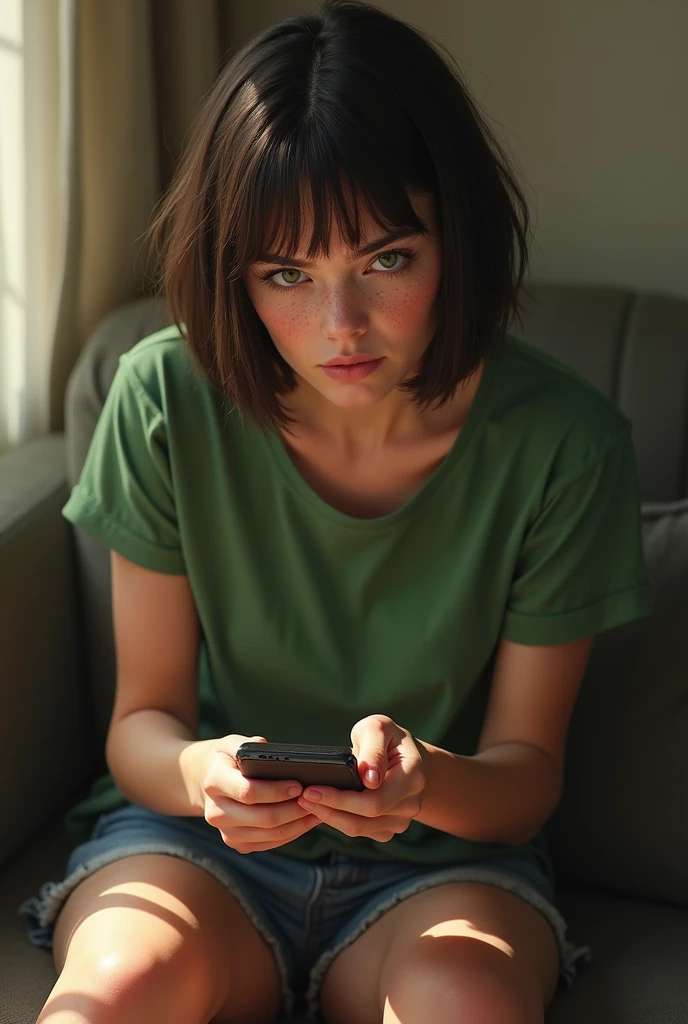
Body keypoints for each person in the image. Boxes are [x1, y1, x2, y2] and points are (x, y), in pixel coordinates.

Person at [21, 1, 652, 1022]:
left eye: (386, 260)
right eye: (286, 276)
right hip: (193, 849)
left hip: (444, 872)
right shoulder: (164, 397)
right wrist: (203, 771)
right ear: (237, 271)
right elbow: (141, 724)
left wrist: (422, 781)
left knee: (465, 1002)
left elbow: (526, 773)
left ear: (458, 235)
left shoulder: (563, 442)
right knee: (108, 996)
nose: (339, 325)